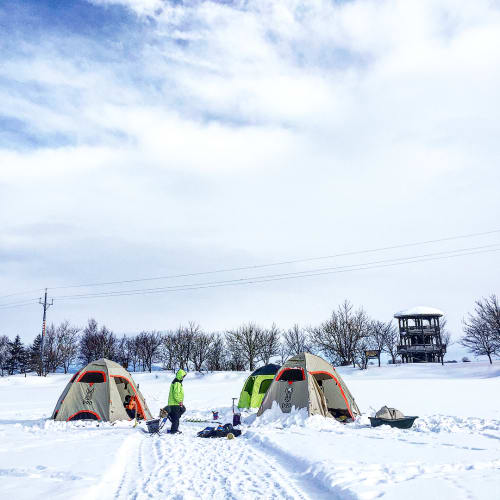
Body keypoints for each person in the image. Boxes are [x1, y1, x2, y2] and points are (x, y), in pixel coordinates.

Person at [166, 369, 187, 434]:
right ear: (180, 376)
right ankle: (174, 431)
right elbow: (176, 394)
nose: (183, 377)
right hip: (175, 403)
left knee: (182, 410)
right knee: (176, 418)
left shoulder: (177, 382)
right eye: (183, 376)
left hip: (174, 403)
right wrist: (179, 401)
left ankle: (171, 417)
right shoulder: (177, 382)